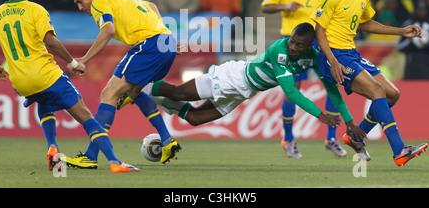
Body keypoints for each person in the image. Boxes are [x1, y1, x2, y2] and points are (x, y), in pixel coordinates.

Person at [0, 0, 139, 173]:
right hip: (46, 75)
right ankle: (114, 162)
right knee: (85, 116)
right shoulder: (35, 10)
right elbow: (50, 41)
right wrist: (74, 62)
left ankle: (52, 146)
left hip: (20, 82)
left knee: (43, 102)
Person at [119, 23, 367, 144]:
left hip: (243, 92)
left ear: (309, 46)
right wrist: (319, 115)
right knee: (177, 90)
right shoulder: (279, 50)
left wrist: (348, 120)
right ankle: (138, 87)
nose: (293, 46)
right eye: (292, 41)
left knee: (193, 119)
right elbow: (290, 91)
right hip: (232, 78)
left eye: (299, 45)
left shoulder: (312, 58)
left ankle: (155, 98)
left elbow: (332, 88)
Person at [311, 0, 428, 166]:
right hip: (334, 55)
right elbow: (319, 30)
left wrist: (401, 31)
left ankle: (356, 136)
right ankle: (399, 150)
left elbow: (366, 24)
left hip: (351, 53)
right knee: (377, 91)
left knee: (393, 94)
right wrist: (333, 61)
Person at [63, 0, 180, 168]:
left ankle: (90, 156)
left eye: (80, 1)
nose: (80, 7)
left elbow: (108, 30)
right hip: (165, 43)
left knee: (108, 94)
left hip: (148, 44)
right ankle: (167, 140)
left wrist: (84, 59)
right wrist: (163, 33)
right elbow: (151, 5)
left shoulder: (99, 0)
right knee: (133, 91)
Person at [261, 0, 345, 158]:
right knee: (293, 90)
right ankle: (288, 139)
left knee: (332, 84)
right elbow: (265, 6)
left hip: (317, 40)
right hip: (292, 43)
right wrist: (285, 6)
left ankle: (331, 137)